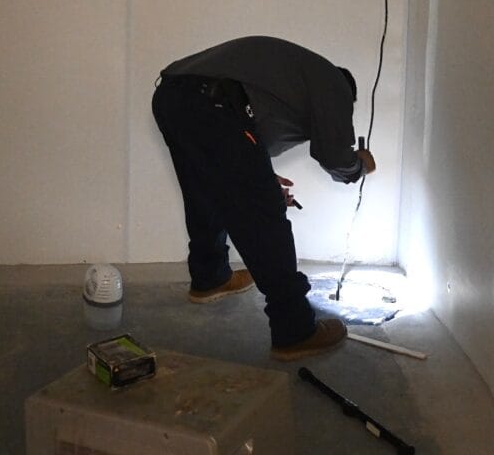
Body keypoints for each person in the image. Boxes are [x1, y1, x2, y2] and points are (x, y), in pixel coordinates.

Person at [152, 35, 376, 361]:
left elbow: (237, 152)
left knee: (203, 189)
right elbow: (333, 155)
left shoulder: (287, 81)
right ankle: (295, 329)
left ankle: (210, 276)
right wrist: (360, 167)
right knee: (265, 215)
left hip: (172, 96)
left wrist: (261, 177)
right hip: (214, 104)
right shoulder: (334, 84)